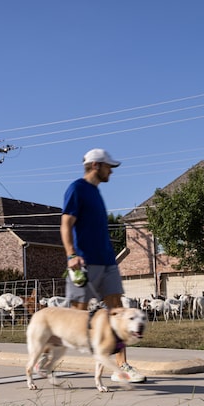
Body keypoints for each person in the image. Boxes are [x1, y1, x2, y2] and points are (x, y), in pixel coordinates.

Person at [61, 148, 145, 383]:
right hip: (85, 262)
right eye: (109, 167)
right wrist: (71, 255)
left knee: (118, 312)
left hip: (107, 261)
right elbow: (66, 224)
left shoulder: (96, 193)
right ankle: (45, 357)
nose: (112, 171)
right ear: (96, 165)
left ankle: (122, 368)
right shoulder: (77, 188)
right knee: (74, 317)